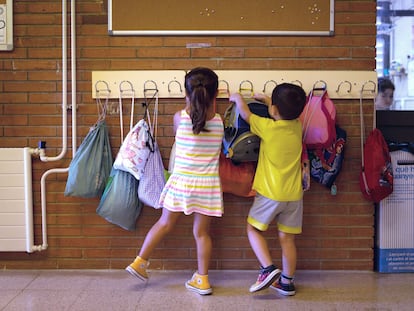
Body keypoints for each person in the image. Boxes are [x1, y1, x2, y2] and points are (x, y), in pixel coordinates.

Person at [125, 67, 224, 296]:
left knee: (165, 223)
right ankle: (203, 280)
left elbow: (189, 119)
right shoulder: (219, 122)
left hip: (181, 182)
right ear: (215, 96)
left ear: (186, 94)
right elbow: (208, 114)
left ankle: (140, 261)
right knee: (201, 234)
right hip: (207, 186)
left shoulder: (180, 118)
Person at [229, 83, 307, 296]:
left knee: (253, 229)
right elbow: (282, 114)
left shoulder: (267, 127)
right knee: (287, 239)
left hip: (271, 194)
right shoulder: (298, 126)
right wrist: (266, 100)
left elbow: (246, 115)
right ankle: (287, 283)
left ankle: (267, 268)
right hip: (294, 195)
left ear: (273, 110)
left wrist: (237, 98)